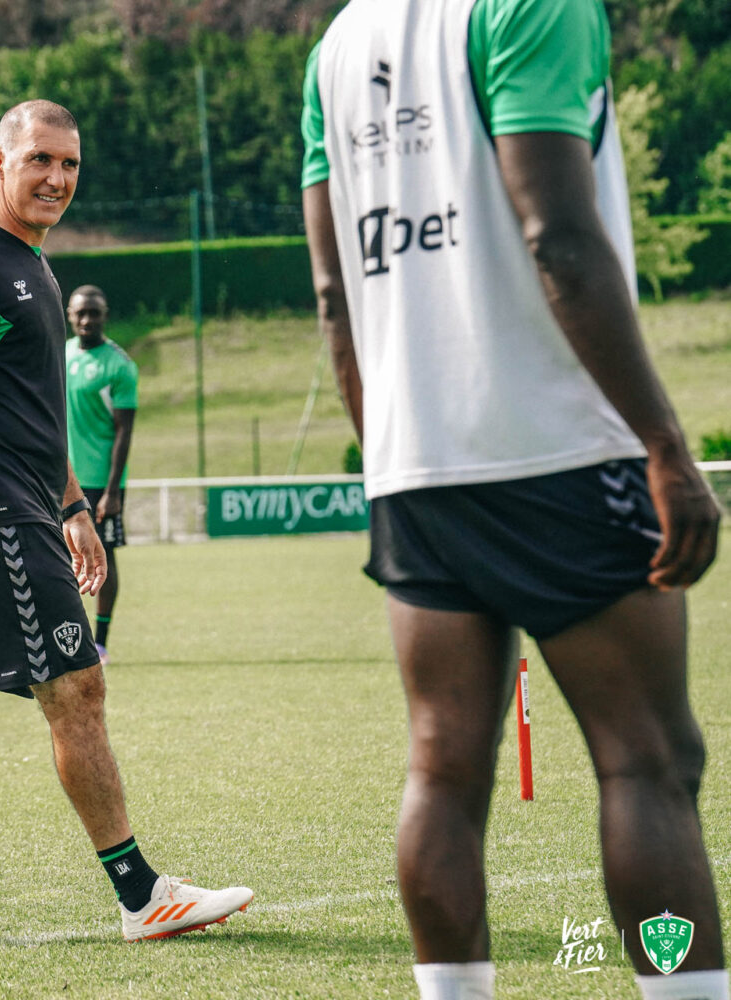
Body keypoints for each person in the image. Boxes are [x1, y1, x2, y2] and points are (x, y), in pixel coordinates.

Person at [301, 1, 723, 998]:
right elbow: (560, 239)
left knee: (443, 770)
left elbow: (333, 294)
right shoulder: (531, 5)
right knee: (646, 760)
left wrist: (389, 454)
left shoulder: (337, 45)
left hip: (417, 463)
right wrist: (666, 443)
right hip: (561, 449)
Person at [0, 100, 252, 947]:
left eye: (69, 164)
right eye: (39, 161)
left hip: (27, 507)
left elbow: (31, 413)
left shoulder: (31, 263)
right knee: (77, 690)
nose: (57, 178)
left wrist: (73, 506)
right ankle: (141, 895)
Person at [64, 285, 138, 666]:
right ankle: (62, 638)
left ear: (105, 315)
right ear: (69, 315)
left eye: (95, 312)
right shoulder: (58, 355)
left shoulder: (120, 366)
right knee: (56, 557)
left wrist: (114, 490)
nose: (87, 319)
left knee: (103, 556)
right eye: (81, 313)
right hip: (59, 479)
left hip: (98, 482)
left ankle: (101, 641)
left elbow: (124, 431)